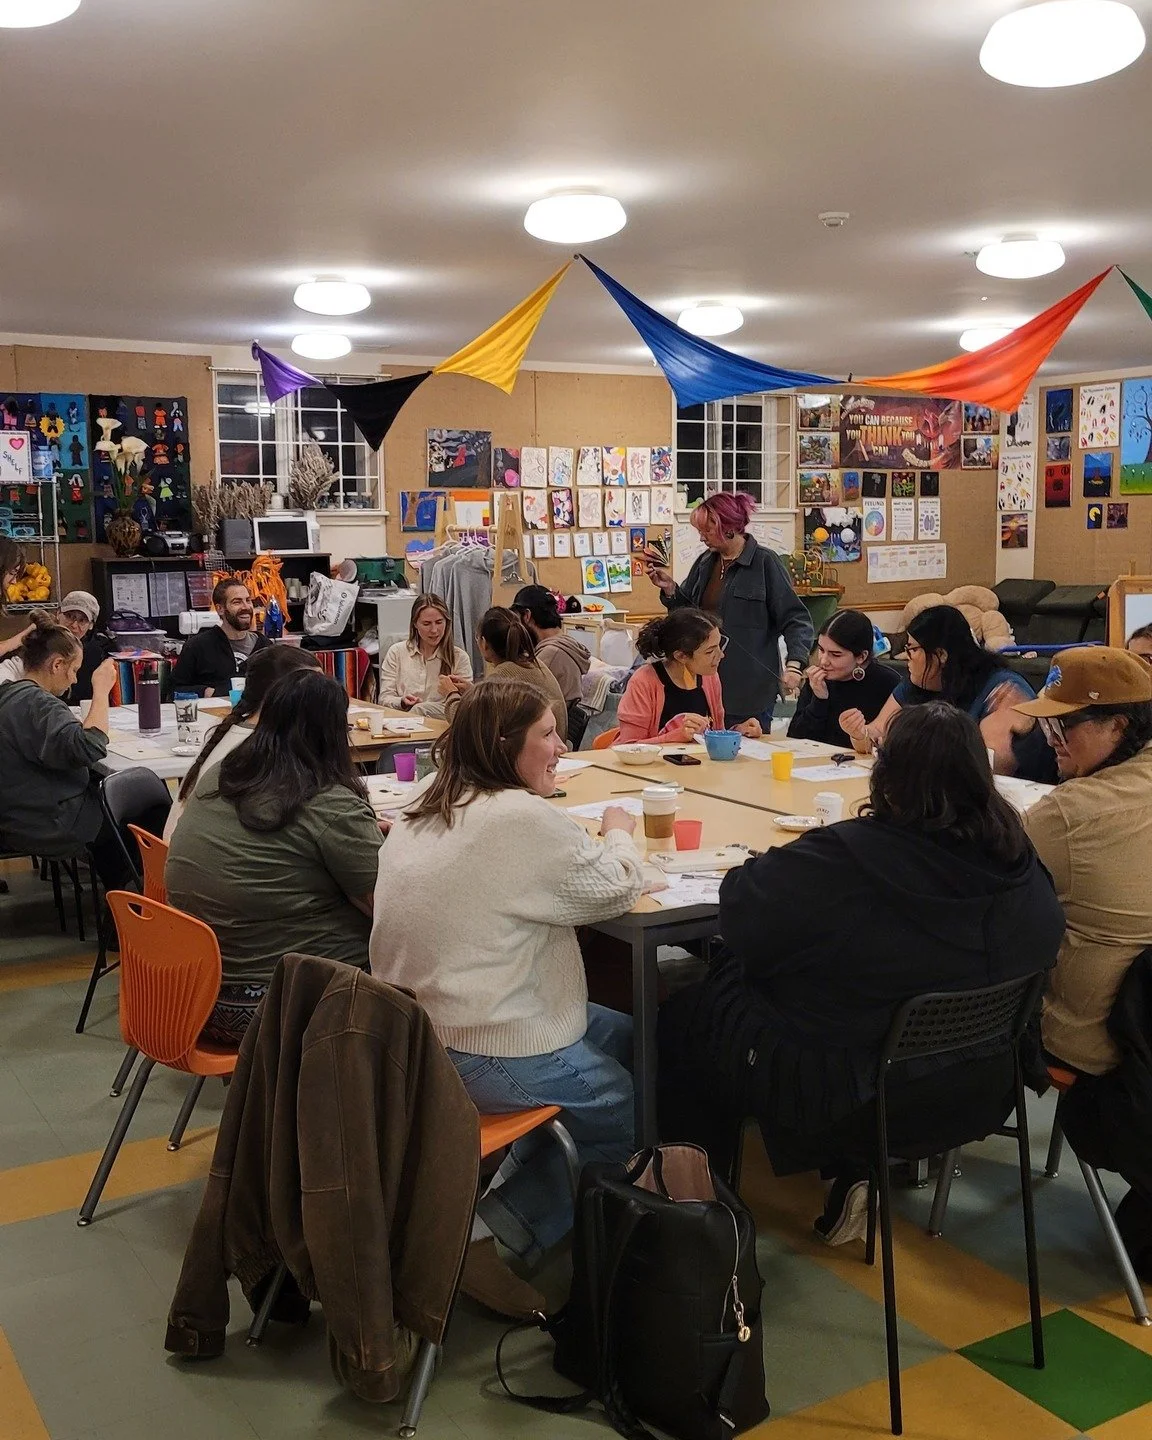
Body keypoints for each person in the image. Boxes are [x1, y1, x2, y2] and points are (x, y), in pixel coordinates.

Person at [657, 702, 1065, 1244]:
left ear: (886, 775)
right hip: (986, 1081)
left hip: (854, 1095)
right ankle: (854, 1169)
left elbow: (741, 908)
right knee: (865, 992)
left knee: (690, 1013)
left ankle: (698, 1218)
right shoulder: (1019, 861)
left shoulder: (848, 857)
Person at [370, 678, 645, 1317]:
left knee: (631, 1037)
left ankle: (567, 1172)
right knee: (615, 1098)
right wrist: (619, 829)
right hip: (479, 1040)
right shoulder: (518, 818)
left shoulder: (426, 801)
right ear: (504, 746)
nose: (561, 745)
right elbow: (614, 887)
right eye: (547, 734)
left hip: (413, 1029)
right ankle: (490, 1236)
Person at [165, 669, 383, 1046]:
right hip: (279, 1004)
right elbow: (388, 909)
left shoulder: (223, 775)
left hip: (190, 992)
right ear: (335, 733)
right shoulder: (327, 801)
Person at [1010, 648, 1152, 1076]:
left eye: (1062, 725)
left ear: (1117, 726)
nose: (1050, 739)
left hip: (1088, 1038)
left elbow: (984, 886)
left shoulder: (1067, 813)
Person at [643, 492, 813, 726]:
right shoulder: (705, 562)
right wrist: (671, 589)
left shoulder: (765, 563)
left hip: (749, 691)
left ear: (730, 527)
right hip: (703, 685)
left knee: (748, 756)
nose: (702, 538)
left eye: (707, 531)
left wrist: (795, 664)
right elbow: (686, 618)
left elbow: (796, 619)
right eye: (700, 531)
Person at [842, 603, 1055, 781]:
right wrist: (859, 733)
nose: (906, 656)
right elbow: (878, 731)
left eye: (912, 649)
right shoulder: (918, 683)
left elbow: (992, 766)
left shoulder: (1001, 688)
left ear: (941, 655)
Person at [0, 610, 129, 887]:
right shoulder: (39, 704)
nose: (73, 680)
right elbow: (91, 746)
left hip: (16, 815)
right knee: (137, 820)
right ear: (57, 664)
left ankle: (120, 897)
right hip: (49, 822)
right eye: (73, 670)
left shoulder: (9, 695)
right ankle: (129, 902)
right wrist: (101, 690)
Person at [163, 645, 322, 840]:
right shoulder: (262, 747)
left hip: (183, 853)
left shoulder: (229, 729)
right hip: (204, 860)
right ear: (281, 694)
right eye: (314, 689)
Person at [615, 608, 761, 745]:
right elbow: (628, 747)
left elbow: (715, 734)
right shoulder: (644, 681)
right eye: (710, 652)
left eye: (719, 646)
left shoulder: (709, 678)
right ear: (681, 656)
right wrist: (675, 737)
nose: (721, 655)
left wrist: (737, 732)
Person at [447, 606, 569, 742]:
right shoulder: (533, 663)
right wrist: (473, 692)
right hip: (551, 744)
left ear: (484, 643)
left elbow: (469, 725)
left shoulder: (502, 676)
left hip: (535, 752)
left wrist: (451, 695)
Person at [788, 610, 901, 747]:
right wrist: (819, 700)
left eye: (835, 655)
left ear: (861, 656)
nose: (823, 661)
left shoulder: (888, 683)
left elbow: (893, 743)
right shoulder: (818, 680)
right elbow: (795, 739)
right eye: (821, 650)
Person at [511, 584, 591, 747]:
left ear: (526, 616)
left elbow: (517, 703)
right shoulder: (564, 644)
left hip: (547, 739)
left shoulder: (551, 654)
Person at [170, 578, 271, 697]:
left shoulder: (265, 647)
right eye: (237, 602)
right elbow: (174, 691)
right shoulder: (197, 646)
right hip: (213, 714)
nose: (246, 607)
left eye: (248, 600)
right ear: (220, 609)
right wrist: (206, 692)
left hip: (255, 713)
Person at [377, 594, 472, 718]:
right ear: (415, 624)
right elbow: (384, 698)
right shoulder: (396, 652)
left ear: (447, 622)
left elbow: (464, 706)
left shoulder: (459, 657)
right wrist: (402, 702)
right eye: (426, 624)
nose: (434, 630)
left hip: (441, 728)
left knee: (421, 709)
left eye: (439, 622)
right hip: (402, 725)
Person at [0, 590, 103, 695]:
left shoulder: (93, 652)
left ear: (91, 625)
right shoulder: (38, 639)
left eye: (82, 620)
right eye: (69, 616)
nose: (74, 625)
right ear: (58, 613)